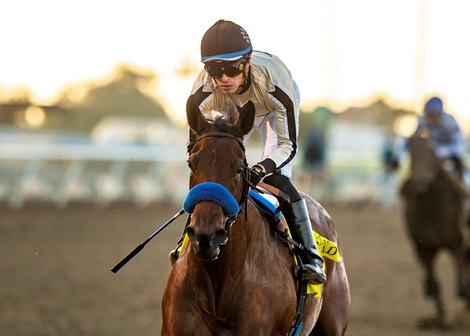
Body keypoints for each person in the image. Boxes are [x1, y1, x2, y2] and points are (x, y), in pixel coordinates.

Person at [172, 19, 326, 284]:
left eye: (231, 68)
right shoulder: (202, 94)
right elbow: (194, 149)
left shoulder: (277, 86)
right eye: (213, 69)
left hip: (270, 104)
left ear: (247, 60)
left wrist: (260, 169)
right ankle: (188, 240)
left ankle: (311, 257)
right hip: (228, 109)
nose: (222, 78)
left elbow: (287, 146)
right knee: (211, 176)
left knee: (276, 180)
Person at [390, 96, 466, 178]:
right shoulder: (423, 121)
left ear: (440, 114)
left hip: (449, 154)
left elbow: (459, 145)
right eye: (428, 115)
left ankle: (464, 184)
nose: (430, 119)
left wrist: (442, 152)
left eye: (433, 116)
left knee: (456, 171)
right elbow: (411, 140)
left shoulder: (450, 122)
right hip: (431, 153)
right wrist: (398, 157)